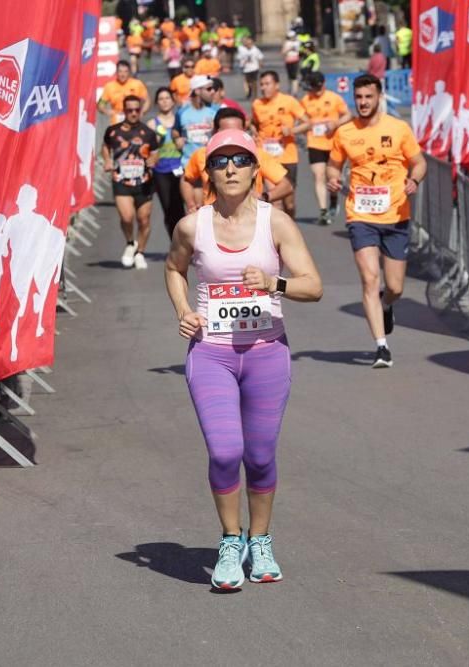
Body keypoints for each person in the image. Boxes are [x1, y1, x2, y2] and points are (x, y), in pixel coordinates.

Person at [165, 128, 323, 590]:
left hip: (266, 353)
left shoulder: (276, 224)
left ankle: (261, 539)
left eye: (239, 160)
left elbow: (312, 285)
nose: (230, 168)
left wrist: (274, 285)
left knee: (258, 454)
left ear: (256, 169)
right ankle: (231, 541)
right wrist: (183, 311)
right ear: (209, 172)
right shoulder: (193, 226)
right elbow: (174, 270)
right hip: (211, 354)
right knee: (224, 450)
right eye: (220, 161)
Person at [326, 74, 426, 368]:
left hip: (395, 214)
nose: (363, 102)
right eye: (358, 97)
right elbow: (334, 166)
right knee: (370, 278)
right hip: (361, 215)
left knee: (395, 287)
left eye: (368, 97)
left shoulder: (398, 129)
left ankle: (386, 306)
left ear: (379, 97)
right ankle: (381, 347)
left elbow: (419, 162)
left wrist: (414, 180)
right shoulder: (345, 133)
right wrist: (333, 179)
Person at [182, 107, 294, 213]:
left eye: (242, 160)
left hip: (249, 218)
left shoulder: (257, 154)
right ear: (215, 131)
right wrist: (191, 205)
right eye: (219, 162)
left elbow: (286, 185)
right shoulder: (202, 154)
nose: (230, 170)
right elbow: (186, 179)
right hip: (214, 219)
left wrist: (264, 197)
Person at [103, 95, 160, 270]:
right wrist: (107, 160)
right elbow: (105, 147)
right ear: (124, 110)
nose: (133, 113)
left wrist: (153, 160)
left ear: (141, 110)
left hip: (143, 182)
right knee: (127, 217)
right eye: (130, 110)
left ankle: (140, 252)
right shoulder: (113, 131)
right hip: (121, 180)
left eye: (137, 110)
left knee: (144, 220)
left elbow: (155, 152)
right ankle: (130, 242)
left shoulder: (148, 133)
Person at [252, 70, 309, 219]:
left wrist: (291, 130)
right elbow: (254, 124)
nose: (264, 87)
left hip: (287, 157)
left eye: (267, 84)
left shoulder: (289, 101)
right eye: (262, 85)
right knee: (276, 202)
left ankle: (291, 225)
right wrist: (254, 134)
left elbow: (307, 123)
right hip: (267, 158)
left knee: (289, 204)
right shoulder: (257, 104)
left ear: (277, 85)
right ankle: (278, 235)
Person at [300, 71, 351, 225]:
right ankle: (323, 211)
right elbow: (302, 122)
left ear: (323, 84)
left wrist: (335, 123)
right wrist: (306, 128)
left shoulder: (334, 98)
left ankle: (334, 198)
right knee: (319, 176)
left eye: (318, 88)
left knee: (333, 178)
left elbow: (348, 115)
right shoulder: (306, 100)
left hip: (334, 144)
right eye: (313, 89)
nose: (316, 92)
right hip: (315, 143)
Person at [148, 87, 186, 239]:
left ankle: (186, 241)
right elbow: (149, 149)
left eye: (167, 98)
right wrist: (157, 138)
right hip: (161, 170)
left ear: (173, 100)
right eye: (161, 99)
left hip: (181, 167)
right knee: (169, 208)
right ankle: (175, 240)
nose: (164, 102)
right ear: (157, 103)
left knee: (183, 206)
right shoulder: (152, 123)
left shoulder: (180, 119)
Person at [174, 75, 220, 170]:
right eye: (209, 89)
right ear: (197, 91)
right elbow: (175, 131)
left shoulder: (217, 111)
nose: (213, 92)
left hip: (212, 166)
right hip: (189, 165)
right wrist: (177, 139)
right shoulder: (181, 112)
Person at [237, 35, 265, 100]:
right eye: (247, 44)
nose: (249, 45)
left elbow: (260, 57)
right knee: (248, 81)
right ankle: (249, 90)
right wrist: (242, 63)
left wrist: (260, 64)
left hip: (254, 68)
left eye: (250, 44)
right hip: (246, 69)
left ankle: (255, 95)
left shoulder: (255, 50)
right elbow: (239, 58)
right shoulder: (243, 50)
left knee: (254, 81)